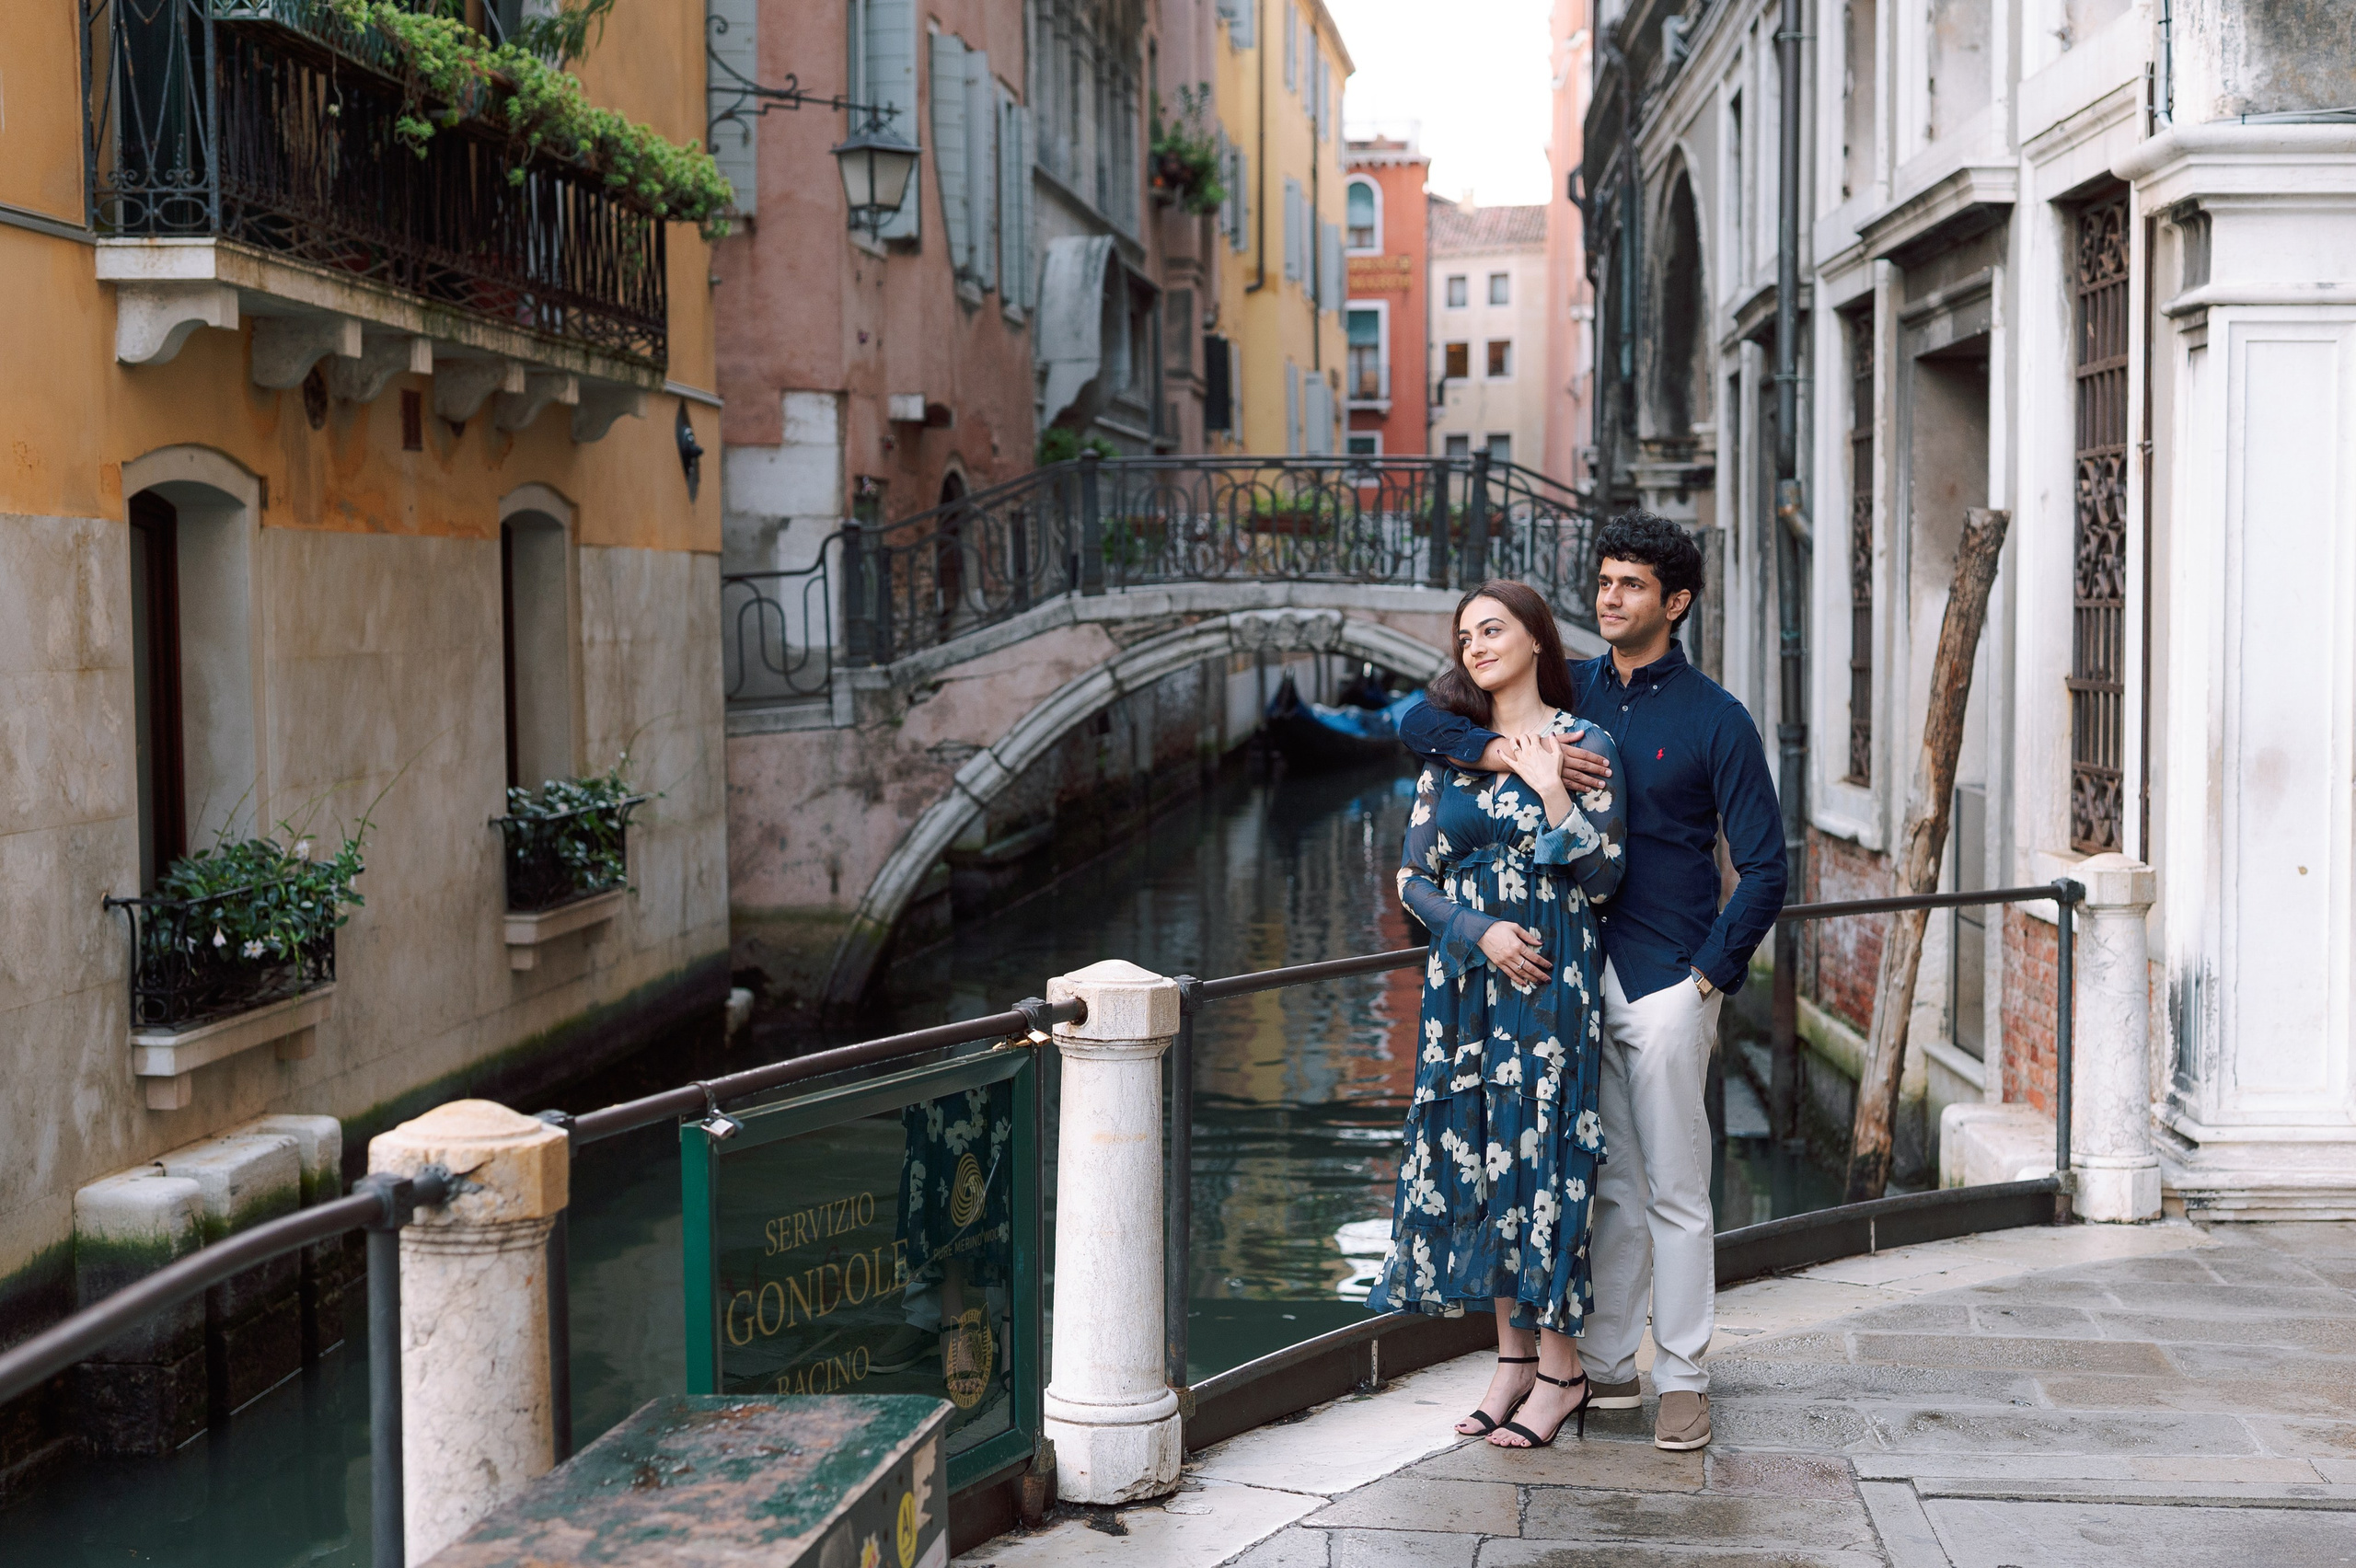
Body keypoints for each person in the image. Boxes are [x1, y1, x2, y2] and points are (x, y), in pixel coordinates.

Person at [1398, 513, 1786, 1452]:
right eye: (1604, 583)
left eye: (1631, 585)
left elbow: (1768, 868)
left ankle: (1684, 1373)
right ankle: (1605, 1368)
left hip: (1662, 977)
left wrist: (1706, 977)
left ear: (1675, 601)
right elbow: (1422, 719)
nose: (1609, 599)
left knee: (1675, 1189)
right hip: (1563, 984)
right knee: (1599, 1183)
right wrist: (1500, 756)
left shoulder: (1717, 718)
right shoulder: (1575, 702)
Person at [1366, 579, 1626, 1450]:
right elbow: (1412, 880)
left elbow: (1602, 879)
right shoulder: (1454, 755)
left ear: (1535, 637)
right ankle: (1511, 1360)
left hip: (1552, 980)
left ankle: (1563, 1370)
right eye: (1465, 634)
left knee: (1544, 1157)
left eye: (1493, 629)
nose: (1476, 645)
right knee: (1480, 1154)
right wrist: (1478, 931)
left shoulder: (1588, 744)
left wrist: (1554, 791)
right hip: (1465, 986)